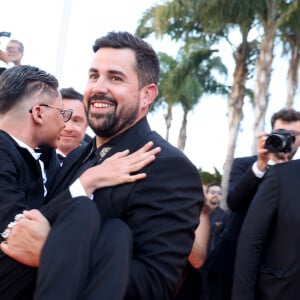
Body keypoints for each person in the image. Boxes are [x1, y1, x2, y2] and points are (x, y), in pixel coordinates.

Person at [3, 31, 204, 300]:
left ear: (147, 95)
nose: (99, 87)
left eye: (116, 78)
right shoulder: (76, 157)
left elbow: (153, 286)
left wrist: (53, 254)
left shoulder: (169, 167)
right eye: (94, 76)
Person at [0, 64, 160, 300]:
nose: (65, 125)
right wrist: (87, 182)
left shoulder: (49, 159)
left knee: (117, 234)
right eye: (62, 113)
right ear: (39, 113)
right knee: (82, 210)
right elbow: (14, 230)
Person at [227, 108, 300, 299]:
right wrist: (261, 165)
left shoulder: (294, 173)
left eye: (293, 135)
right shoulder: (245, 165)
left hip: (284, 269)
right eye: (280, 133)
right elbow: (233, 201)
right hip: (233, 265)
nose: (286, 139)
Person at [56, 87, 88, 164]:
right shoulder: (32, 155)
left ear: (87, 124)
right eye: (63, 118)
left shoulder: (97, 160)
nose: (68, 128)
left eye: (76, 120)